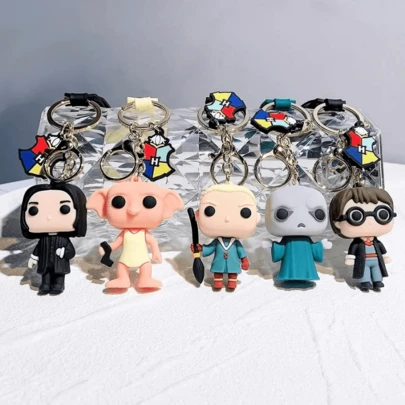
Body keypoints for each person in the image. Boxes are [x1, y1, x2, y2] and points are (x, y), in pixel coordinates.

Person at [20, 183, 87, 294]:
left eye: (64, 209)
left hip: (59, 263)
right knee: (45, 274)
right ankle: (45, 284)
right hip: (45, 262)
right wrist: (33, 257)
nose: (49, 217)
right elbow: (38, 249)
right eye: (33, 210)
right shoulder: (43, 239)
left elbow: (71, 252)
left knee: (59, 275)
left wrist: (64, 252)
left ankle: (58, 284)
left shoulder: (64, 240)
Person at [191, 183, 260, 290]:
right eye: (210, 211)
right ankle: (218, 282)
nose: (227, 218)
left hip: (232, 263)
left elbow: (241, 252)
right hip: (219, 262)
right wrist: (201, 248)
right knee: (218, 272)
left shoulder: (236, 243)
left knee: (233, 273)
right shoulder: (217, 242)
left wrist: (244, 260)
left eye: (245, 212)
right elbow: (210, 248)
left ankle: (232, 281)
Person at [329, 187, 395, 292]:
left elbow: (382, 249)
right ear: (337, 223)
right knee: (364, 270)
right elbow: (353, 249)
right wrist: (350, 257)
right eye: (356, 216)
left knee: (377, 270)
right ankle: (366, 281)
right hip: (363, 260)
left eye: (383, 214)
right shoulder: (357, 243)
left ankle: (377, 280)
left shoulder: (376, 242)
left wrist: (385, 256)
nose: (370, 222)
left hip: (376, 260)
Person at [265, 185, 331, 286]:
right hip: (290, 260)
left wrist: (321, 245)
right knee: (290, 269)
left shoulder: (306, 241)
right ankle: (290, 279)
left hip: (303, 261)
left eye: (318, 214)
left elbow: (313, 248)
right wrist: (272, 245)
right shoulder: (288, 240)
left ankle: (304, 278)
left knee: (301, 269)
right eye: (282, 213)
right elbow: (281, 249)